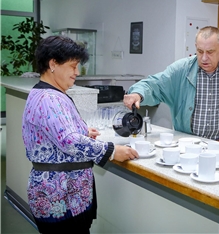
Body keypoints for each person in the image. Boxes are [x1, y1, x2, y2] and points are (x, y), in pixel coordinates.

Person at [22, 35, 139, 234]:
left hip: (63, 194)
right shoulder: (50, 98)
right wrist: (111, 151)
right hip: (60, 197)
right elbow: (69, 140)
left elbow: (56, 132)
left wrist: (83, 131)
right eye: (73, 66)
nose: (77, 72)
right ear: (53, 64)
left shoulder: (46, 93)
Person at [124, 26, 219, 142]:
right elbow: (154, 84)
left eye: (210, 52)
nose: (204, 58)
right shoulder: (181, 69)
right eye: (200, 51)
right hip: (186, 143)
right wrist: (138, 93)